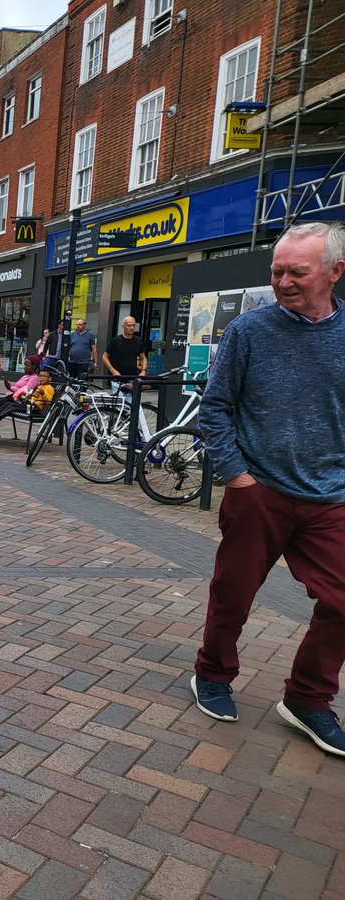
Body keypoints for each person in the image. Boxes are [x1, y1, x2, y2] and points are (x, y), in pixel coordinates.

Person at [191, 221, 345, 757]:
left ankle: (308, 698)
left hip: (331, 497)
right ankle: (212, 674)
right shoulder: (249, 331)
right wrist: (237, 477)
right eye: (277, 270)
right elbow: (215, 408)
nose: (283, 281)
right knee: (233, 593)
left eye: (296, 272)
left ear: (334, 272)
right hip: (259, 491)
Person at [0, 361, 47, 440]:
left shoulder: (34, 378)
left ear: (34, 366)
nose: (24, 367)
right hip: (9, 396)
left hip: (15, 399)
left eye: (27, 365)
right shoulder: (25, 376)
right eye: (24, 365)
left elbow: (25, 391)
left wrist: (11, 388)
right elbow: (16, 388)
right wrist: (10, 386)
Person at [102, 315, 148, 392]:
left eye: (133, 325)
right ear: (123, 326)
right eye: (129, 325)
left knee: (132, 401)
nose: (132, 328)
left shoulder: (138, 340)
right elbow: (104, 357)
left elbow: (143, 357)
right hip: (117, 378)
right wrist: (112, 370)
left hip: (132, 378)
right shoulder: (116, 340)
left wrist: (143, 370)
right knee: (119, 401)